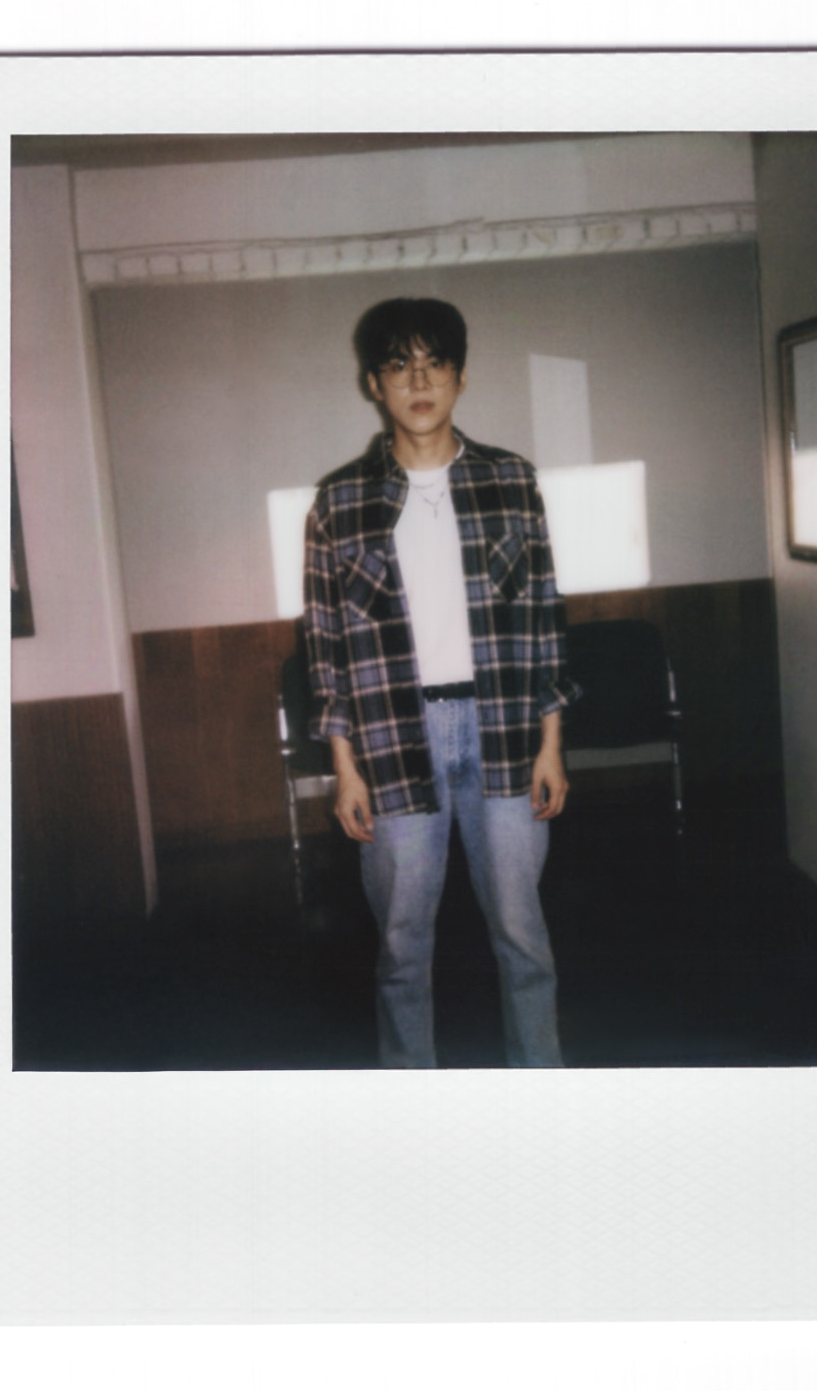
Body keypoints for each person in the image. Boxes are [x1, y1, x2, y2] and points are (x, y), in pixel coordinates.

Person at [302, 297, 579, 1068]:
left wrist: (551, 745)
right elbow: (326, 646)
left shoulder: (512, 482)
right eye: (400, 366)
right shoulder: (339, 502)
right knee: (401, 945)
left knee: (523, 933)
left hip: (506, 732)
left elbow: (544, 619)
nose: (418, 382)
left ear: (460, 377)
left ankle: (542, 1085)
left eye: (434, 364)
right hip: (393, 737)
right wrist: (344, 768)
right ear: (374, 383)